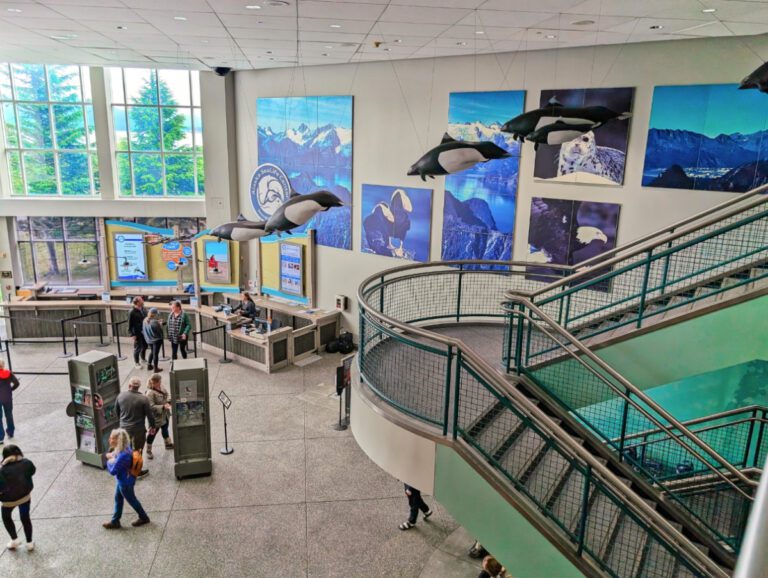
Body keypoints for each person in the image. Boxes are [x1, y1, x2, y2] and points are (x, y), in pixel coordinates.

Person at [103, 428, 150, 529]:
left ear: (117, 440)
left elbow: (113, 471)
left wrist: (109, 460)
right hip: (124, 480)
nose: (109, 440)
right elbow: (117, 456)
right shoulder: (125, 448)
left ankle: (144, 517)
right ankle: (115, 521)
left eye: (111, 438)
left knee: (132, 500)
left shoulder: (123, 455)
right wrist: (113, 456)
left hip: (125, 483)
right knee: (118, 498)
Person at [115, 377, 155, 477]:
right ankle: (137, 471)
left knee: (124, 449)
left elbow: (117, 411)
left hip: (124, 428)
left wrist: (122, 420)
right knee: (137, 450)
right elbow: (150, 415)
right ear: (139, 387)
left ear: (129, 385)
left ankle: (124, 469)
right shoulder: (143, 399)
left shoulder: (120, 396)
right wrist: (152, 426)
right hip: (138, 429)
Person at [0, 444, 35, 551]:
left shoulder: (2, 470)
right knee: (25, 518)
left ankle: (14, 540)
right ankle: (29, 543)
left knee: (6, 518)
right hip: (24, 497)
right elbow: (32, 471)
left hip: (8, 501)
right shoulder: (26, 463)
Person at [144, 374, 173, 459]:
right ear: (155, 382)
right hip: (156, 418)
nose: (161, 383)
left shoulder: (161, 387)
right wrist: (163, 406)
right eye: (159, 381)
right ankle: (148, 451)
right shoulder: (150, 393)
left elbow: (167, 394)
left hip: (165, 414)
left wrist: (168, 401)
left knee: (165, 428)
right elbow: (151, 407)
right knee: (152, 434)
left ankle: (168, 444)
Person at [0, 360, 19, 445]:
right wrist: (10, 389)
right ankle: (10, 432)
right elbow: (17, 383)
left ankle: (0, 437)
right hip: (7, 397)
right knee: (9, 415)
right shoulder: (8, 373)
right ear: (3, 365)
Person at [128, 296, 148, 370]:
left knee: (145, 346)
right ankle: (136, 363)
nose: (143, 301)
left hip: (145, 332)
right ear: (137, 302)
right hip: (137, 333)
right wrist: (132, 334)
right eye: (141, 300)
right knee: (137, 348)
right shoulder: (132, 312)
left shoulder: (143, 309)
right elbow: (130, 324)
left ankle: (143, 358)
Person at [142, 308, 164, 373]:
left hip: (149, 339)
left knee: (152, 352)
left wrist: (157, 322)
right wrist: (160, 324)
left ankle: (149, 365)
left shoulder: (145, 320)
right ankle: (156, 368)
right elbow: (159, 331)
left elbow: (150, 324)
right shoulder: (154, 322)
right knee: (155, 354)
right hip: (156, 340)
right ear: (154, 314)